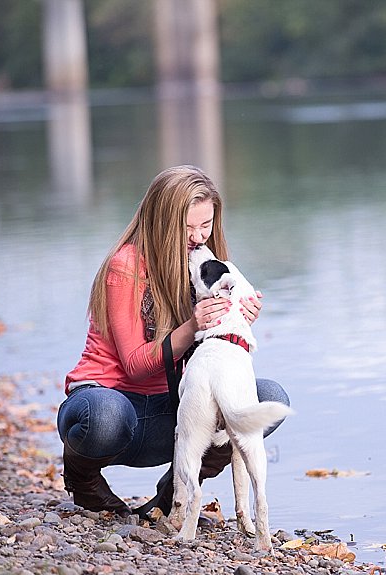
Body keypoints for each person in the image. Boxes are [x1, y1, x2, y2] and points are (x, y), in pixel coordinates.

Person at [57, 165, 290, 517]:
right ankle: (83, 478)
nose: (198, 237)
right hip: (113, 405)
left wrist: (235, 324)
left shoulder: (204, 265)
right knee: (104, 416)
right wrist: (194, 325)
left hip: (175, 409)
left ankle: (175, 492)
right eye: (187, 228)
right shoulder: (126, 266)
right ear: (160, 221)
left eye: (206, 225)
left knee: (269, 399)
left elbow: (214, 362)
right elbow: (135, 366)